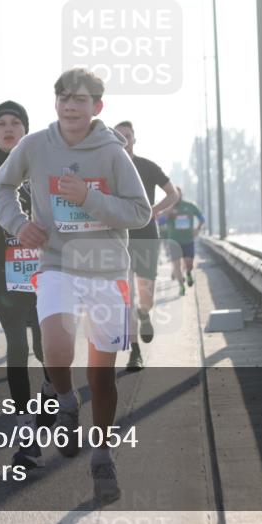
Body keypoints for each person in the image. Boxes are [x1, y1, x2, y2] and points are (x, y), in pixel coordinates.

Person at [0, 69, 150, 503]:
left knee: (101, 374)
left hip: (105, 269)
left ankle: (102, 456)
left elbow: (140, 213)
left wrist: (89, 199)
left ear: (97, 106)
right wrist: (18, 223)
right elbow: (1, 185)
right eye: (63, 97)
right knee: (57, 345)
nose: (69, 105)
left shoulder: (114, 154)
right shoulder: (35, 145)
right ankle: (64, 400)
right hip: (57, 263)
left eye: (80, 99)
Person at [0, 100, 55, 469]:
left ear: (25, 129)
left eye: (15, 123)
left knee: (47, 350)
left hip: (46, 269)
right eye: (1, 124)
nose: (8, 129)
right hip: (8, 272)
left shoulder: (44, 160)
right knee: (16, 348)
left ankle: (54, 396)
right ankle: (26, 433)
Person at [113, 121, 178, 372]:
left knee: (145, 295)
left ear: (134, 139)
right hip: (119, 239)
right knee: (125, 296)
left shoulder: (148, 167)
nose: (124, 140)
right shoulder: (109, 169)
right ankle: (135, 353)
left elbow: (172, 193)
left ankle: (145, 313)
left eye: (128, 136)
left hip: (147, 236)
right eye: (119, 136)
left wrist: (156, 210)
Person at [164, 188, 206, 295]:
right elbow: (159, 221)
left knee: (189, 264)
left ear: (181, 194)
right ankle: (181, 286)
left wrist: (197, 229)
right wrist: (169, 211)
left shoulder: (190, 206)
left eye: (178, 194)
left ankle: (188, 273)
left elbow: (202, 218)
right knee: (176, 266)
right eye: (174, 194)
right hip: (174, 242)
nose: (176, 196)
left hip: (188, 240)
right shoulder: (168, 208)